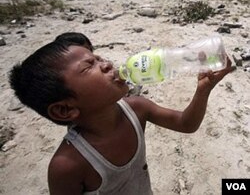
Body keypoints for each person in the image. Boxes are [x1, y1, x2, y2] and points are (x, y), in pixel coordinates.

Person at [8, 35, 235, 195]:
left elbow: (186, 124)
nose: (106, 64)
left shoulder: (136, 107)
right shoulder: (68, 166)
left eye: (98, 58)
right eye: (89, 67)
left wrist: (203, 90)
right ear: (64, 109)